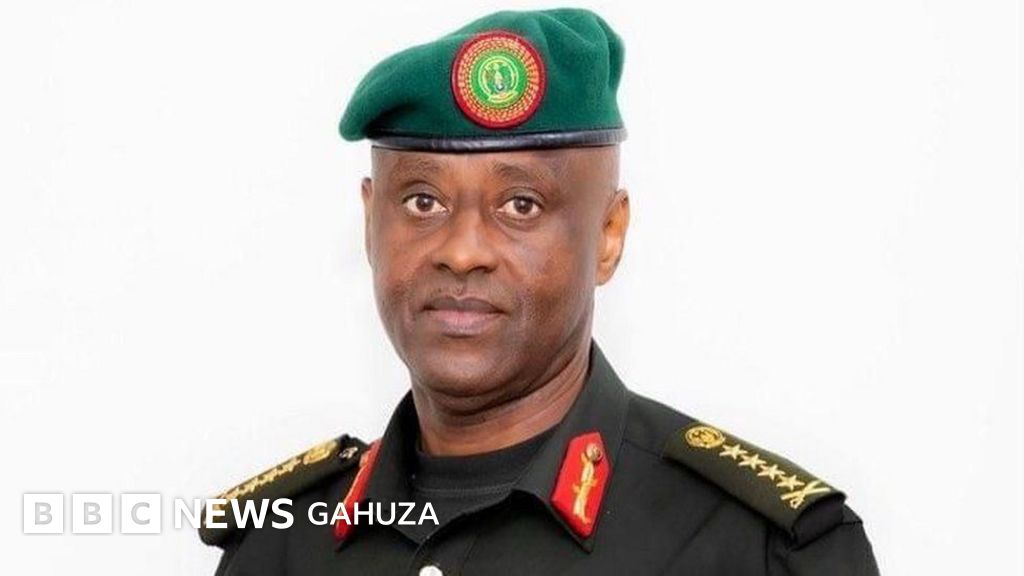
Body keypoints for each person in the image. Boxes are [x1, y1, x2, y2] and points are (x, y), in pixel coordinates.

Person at [200, 8, 880, 575]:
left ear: (608, 236)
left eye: (521, 205)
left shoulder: (757, 552)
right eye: (422, 201)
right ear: (370, 223)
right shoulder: (277, 546)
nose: (462, 251)